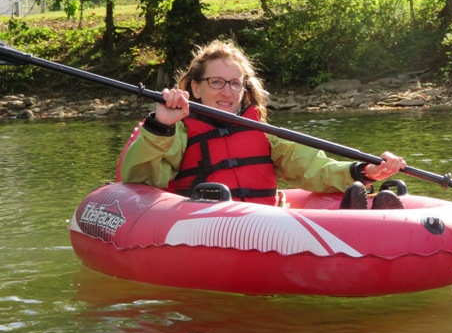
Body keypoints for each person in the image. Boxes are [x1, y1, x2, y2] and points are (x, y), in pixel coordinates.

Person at [119, 39, 407, 209]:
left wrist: (363, 171)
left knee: (343, 189)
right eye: (216, 82)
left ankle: (366, 214)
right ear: (195, 88)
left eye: (235, 83)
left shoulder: (263, 133)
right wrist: (161, 125)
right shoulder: (176, 131)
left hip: (264, 224)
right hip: (203, 225)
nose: (227, 91)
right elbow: (139, 181)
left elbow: (312, 167)